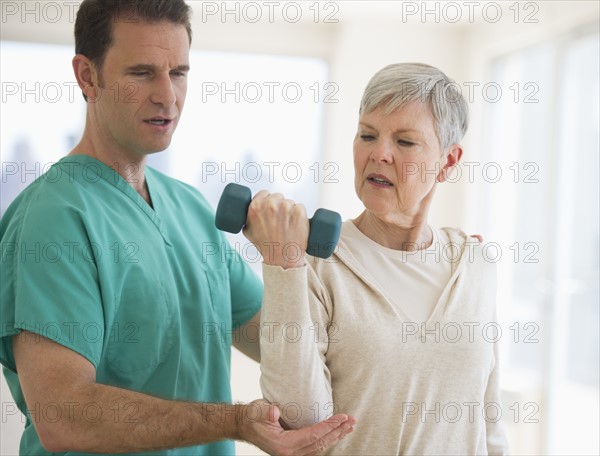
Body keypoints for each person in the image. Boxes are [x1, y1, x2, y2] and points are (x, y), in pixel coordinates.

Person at [0, 1, 356, 454]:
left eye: (179, 73)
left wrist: (292, 261)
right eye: (142, 73)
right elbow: (65, 415)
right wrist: (236, 422)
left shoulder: (188, 207)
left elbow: (287, 348)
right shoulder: (52, 218)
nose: (167, 95)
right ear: (88, 77)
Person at [243, 63, 510, 455]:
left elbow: (488, 421)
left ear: (448, 162)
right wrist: (283, 265)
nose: (379, 154)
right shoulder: (318, 264)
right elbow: (302, 419)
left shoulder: (475, 263)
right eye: (368, 135)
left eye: (405, 142)